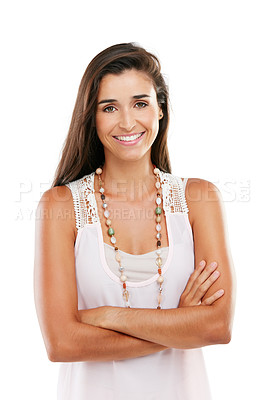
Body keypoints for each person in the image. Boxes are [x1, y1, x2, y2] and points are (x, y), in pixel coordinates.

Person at [34, 42, 236, 400]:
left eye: (140, 103)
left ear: (160, 109)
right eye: (109, 107)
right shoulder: (61, 207)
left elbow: (216, 327)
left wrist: (105, 316)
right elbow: (62, 343)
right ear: (91, 117)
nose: (127, 122)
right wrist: (179, 324)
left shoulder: (198, 199)